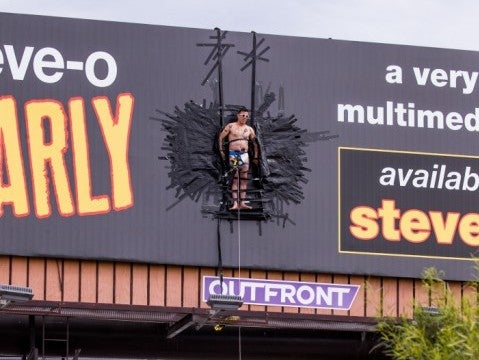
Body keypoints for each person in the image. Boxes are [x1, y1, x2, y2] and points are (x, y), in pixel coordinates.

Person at [218, 107, 259, 210]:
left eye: (246, 116)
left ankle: (243, 203)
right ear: (238, 115)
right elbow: (220, 138)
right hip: (235, 154)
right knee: (236, 179)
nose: (245, 117)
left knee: (244, 180)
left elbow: (255, 144)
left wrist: (255, 156)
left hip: (244, 155)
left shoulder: (249, 129)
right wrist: (221, 150)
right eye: (243, 115)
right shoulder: (231, 126)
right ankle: (235, 204)